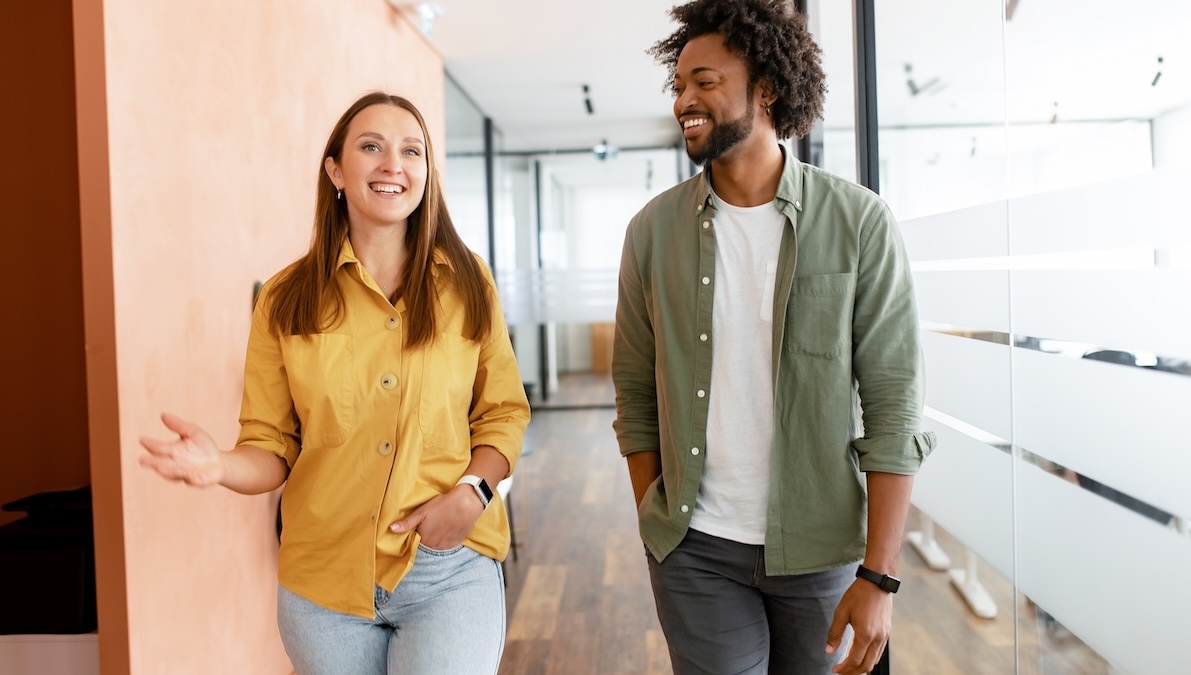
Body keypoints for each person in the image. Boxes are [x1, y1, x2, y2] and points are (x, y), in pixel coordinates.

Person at [139, 91, 530, 675]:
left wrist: (473, 492)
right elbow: (271, 448)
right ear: (336, 171)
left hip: (447, 566)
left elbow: (503, 412)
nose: (393, 165)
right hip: (323, 585)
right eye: (371, 147)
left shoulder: (469, 283)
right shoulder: (285, 300)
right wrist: (220, 466)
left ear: (426, 172)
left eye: (411, 151)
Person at [611, 2, 936, 674]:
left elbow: (893, 401)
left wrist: (880, 576)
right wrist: (656, 518)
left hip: (823, 550)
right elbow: (635, 390)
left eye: (704, 81)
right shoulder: (652, 232)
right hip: (696, 550)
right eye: (677, 86)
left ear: (767, 88)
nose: (684, 101)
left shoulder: (858, 222)